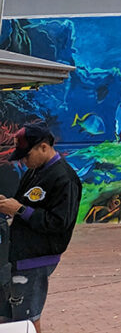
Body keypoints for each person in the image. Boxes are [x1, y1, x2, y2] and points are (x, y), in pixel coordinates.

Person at [0, 124, 82, 331]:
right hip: (19, 253)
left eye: (26, 155)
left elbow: (59, 222)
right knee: (9, 315)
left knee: (26, 318)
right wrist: (10, 206)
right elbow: (26, 204)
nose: (23, 161)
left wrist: (19, 210)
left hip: (36, 258)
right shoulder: (35, 170)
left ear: (43, 147)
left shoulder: (64, 177)